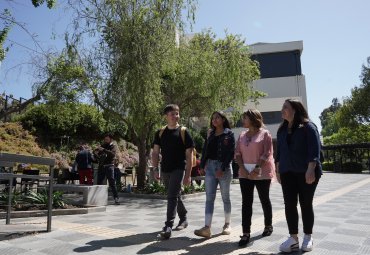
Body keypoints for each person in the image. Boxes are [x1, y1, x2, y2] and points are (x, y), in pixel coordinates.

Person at [276, 99, 322, 253]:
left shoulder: (308, 127)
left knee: (305, 203)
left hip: (306, 171)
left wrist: (311, 169)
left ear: (295, 110)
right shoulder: (282, 129)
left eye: (285, 107)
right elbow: (279, 152)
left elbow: (314, 149)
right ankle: (293, 238)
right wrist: (278, 169)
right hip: (287, 172)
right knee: (289, 205)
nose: (282, 110)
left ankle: (308, 237)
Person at [152, 104, 195, 239]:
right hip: (165, 168)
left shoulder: (183, 131)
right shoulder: (160, 132)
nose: (175, 116)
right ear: (166, 116)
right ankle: (184, 218)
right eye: (172, 114)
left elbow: (189, 156)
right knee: (174, 195)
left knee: (171, 196)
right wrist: (154, 169)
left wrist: (188, 175)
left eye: (177, 113)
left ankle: (168, 226)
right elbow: (155, 152)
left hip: (179, 168)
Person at [235, 109, 275, 246]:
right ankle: (246, 233)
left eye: (245, 118)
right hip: (244, 173)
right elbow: (238, 154)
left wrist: (257, 168)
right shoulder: (241, 135)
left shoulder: (265, 134)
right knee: (246, 203)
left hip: (262, 172)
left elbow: (267, 153)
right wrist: (243, 169)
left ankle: (268, 225)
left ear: (252, 119)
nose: (243, 120)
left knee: (264, 199)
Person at [194, 111, 235, 238]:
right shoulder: (210, 134)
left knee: (225, 198)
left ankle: (227, 224)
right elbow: (206, 150)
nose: (214, 120)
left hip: (224, 168)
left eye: (217, 117)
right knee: (209, 198)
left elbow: (230, 153)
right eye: (213, 118)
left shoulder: (229, 134)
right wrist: (201, 166)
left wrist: (222, 168)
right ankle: (207, 228)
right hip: (210, 168)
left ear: (223, 119)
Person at [94, 134, 120, 205]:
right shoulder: (103, 145)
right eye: (105, 139)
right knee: (99, 182)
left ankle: (116, 198)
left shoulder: (113, 146)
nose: (105, 141)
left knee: (112, 182)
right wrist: (96, 153)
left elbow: (112, 154)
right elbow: (98, 155)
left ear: (111, 139)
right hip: (102, 166)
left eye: (107, 140)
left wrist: (104, 150)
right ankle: (96, 198)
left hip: (109, 166)